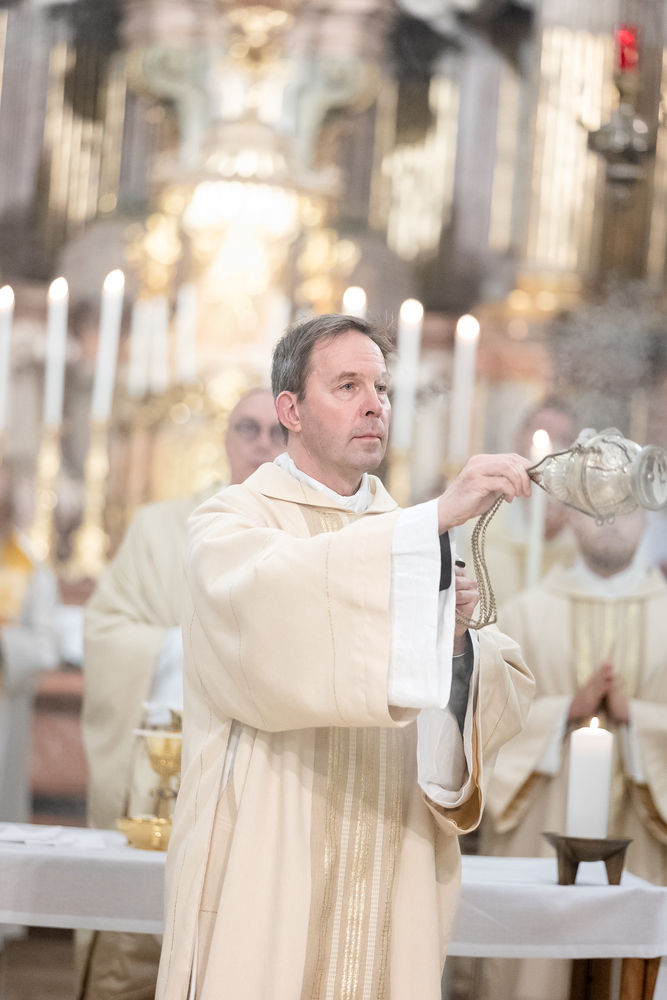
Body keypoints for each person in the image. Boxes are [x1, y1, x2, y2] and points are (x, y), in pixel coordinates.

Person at [156, 314, 535, 1000]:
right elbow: (272, 605)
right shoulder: (230, 523)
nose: (374, 405)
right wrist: (432, 519)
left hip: (391, 852)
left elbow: (489, 698)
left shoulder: (410, 536)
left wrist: (454, 642)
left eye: (381, 388)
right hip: (268, 859)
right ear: (290, 410)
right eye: (347, 386)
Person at [79, 387, 284, 1000]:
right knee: (139, 949)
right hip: (167, 768)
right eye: (247, 428)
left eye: (277, 431)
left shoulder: (313, 538)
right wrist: (187, 649)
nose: (262, 444)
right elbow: (106, 631)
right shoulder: (160, 527)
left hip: (266, 779)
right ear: (225, 439)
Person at [481, 505, 667, 1000]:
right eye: (595, 509)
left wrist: (635, 716)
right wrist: (567, 709)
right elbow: (486, 719)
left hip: (643, 838)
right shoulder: (524, 613)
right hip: (542, 827)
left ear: (648, 519)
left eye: (626, 509)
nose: (610, 521)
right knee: (536, 976)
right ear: (570, 518)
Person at [458, 401, 577, 605]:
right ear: (518, 440)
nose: (554, 450)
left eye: (565, 439)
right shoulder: (475, 519)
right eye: (544, 434)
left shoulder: (583, 539)